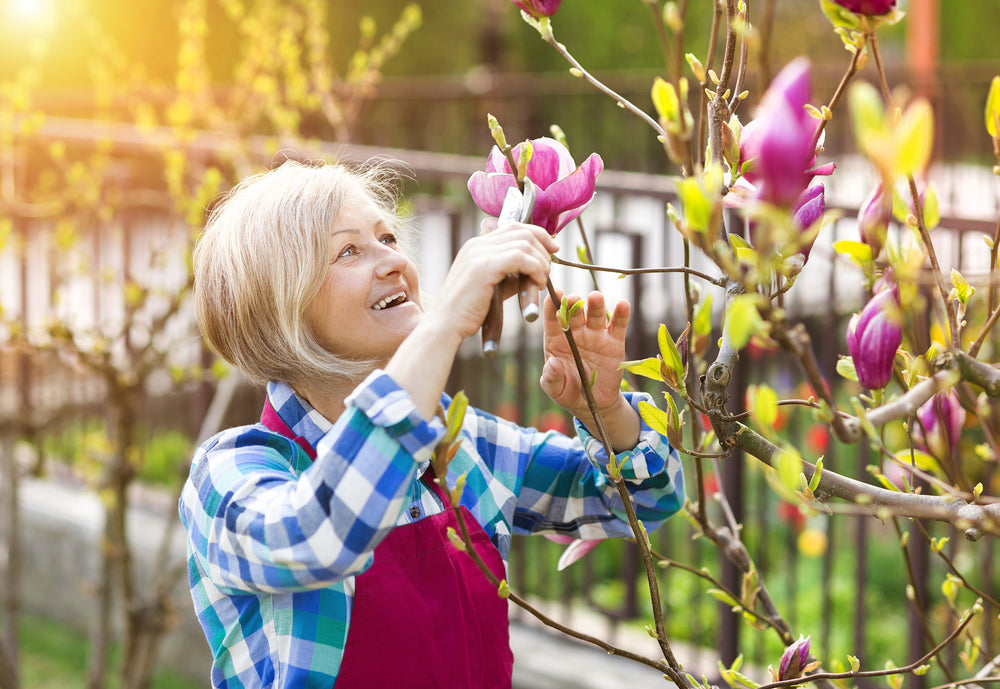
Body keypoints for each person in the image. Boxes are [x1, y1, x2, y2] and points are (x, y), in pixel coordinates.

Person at [179, 159, 685, 689]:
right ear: (277, 305)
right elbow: (320, 535)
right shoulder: (233, 472)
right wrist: (445, 323)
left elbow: (646, 501)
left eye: (388, 237)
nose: (393, 261)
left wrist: (602, 412)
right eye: (349, 250)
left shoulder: (457, 445)